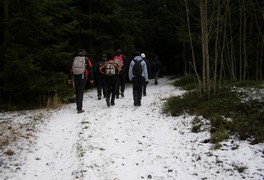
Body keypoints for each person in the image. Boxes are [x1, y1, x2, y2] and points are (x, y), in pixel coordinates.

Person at [68, 49, 94, 113]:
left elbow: (70, 69)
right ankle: (79, 108)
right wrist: (91, 79)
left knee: (77, 91)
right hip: (83, 77)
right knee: (80, 92)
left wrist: (69, 78)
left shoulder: (73, 59)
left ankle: (78, 106)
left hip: (75, 77)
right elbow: (90, 69)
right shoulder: (86, 59)